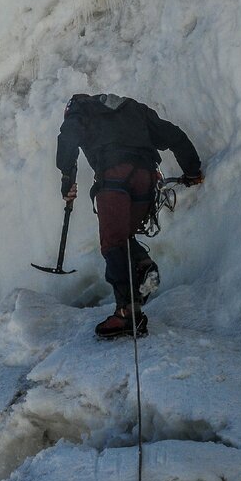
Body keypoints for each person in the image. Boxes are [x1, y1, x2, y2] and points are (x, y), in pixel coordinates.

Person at [55, 93, 204, 338]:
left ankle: (127, 314)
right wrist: (192, 170)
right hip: (145, 180)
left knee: (113, 242)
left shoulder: (80, 109)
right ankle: (144, 266)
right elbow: (174, 135)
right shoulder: (133, 108)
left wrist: (66, 179)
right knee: (122, 237)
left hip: (113, 179)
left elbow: (68, 137)